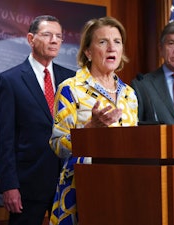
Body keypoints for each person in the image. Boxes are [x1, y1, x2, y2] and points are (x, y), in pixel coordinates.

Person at [49, 16, 138, 225]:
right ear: (88, 52)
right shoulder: (70, 89)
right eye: (102, 42)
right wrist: (89, 130)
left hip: (124, 189)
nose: (111, 48)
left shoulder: (130, 95)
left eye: (117, 42)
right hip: (81, 192)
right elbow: (57, 145)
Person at [0, 15, 75, 225]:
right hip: (28, 183)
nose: (54, 40)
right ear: (31, 39)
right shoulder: (9, 80)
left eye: (59, 36)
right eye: (47, 35)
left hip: (67, 180)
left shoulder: (71, 80)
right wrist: (9, 185)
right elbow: (5, 139)